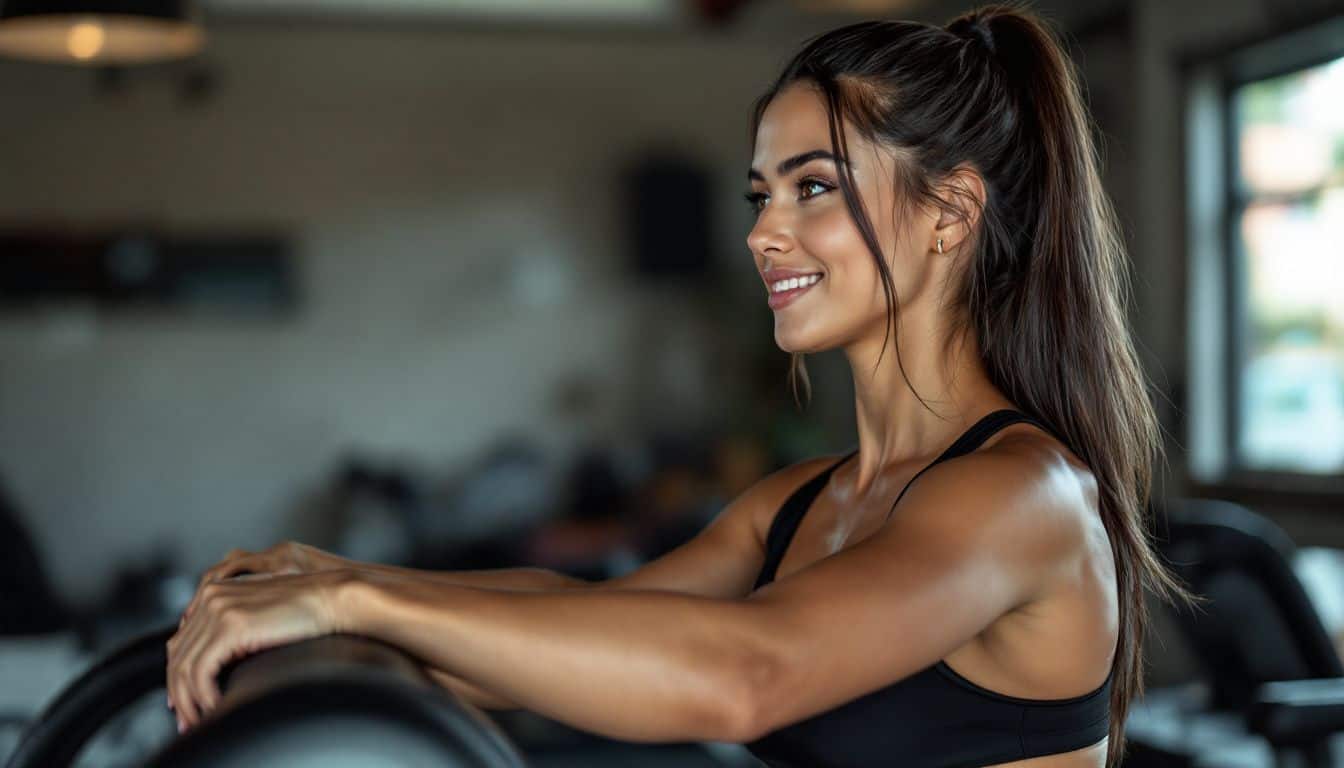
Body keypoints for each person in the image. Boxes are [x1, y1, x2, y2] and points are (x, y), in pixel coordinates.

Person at [166, 4, 1197, 766]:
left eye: (813, 187)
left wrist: (354, 594)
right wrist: (323, 595)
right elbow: (591, 622)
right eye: (760, 193)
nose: (762, 231)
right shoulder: (797, 508)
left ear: (951, 213)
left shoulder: (1024, 495)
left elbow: (747, 676)